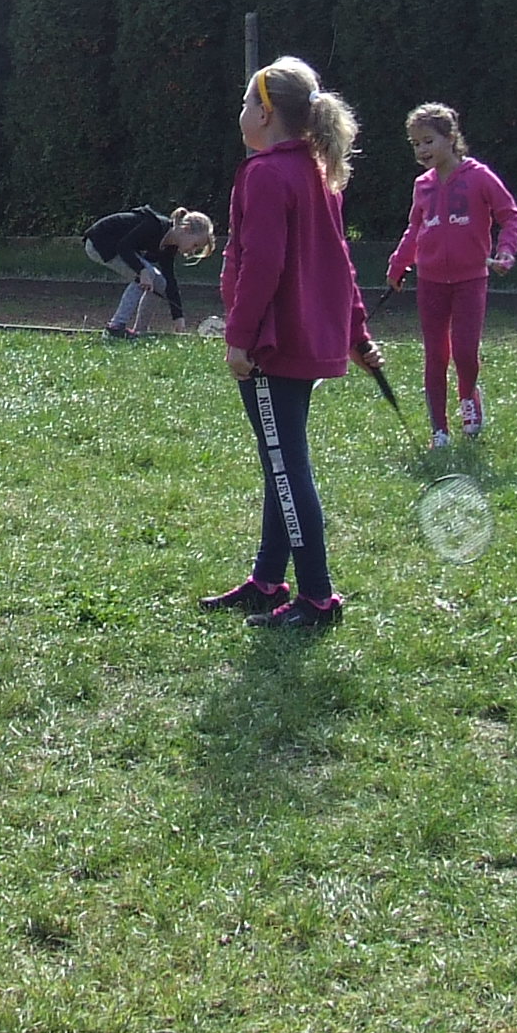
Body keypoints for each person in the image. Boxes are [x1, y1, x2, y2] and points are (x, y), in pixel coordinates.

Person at [202, 56, 384, 630]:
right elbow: (340, 262)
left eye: (246, 101)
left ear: (264, 113)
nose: (240, 111)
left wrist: (239, 338)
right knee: (281, 461)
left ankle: (317, 598)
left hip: (273, 347)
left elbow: (262, 265)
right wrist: (357, 333)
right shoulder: (315, 170)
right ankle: (267, 581)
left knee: (287, 468)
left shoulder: (266, 174)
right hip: (300, 342)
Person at [385, 103, 517, 448]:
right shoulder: (422, 185)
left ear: (450, 138)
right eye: (415, 144)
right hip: (431, 281)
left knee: (464, 350)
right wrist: (399, 264)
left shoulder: (479, 177)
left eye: (428, 141)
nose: (422, 150)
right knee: (435, 354)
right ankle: (439, 429)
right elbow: (415, 229)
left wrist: (505, 251)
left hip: (470, 279)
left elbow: (510, 215)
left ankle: (469, 400)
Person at [82, 204, 214, 337]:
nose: (192, 251)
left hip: (116, 247)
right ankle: (115, 327)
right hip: (99, 242)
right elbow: (124, 247)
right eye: (195, 245)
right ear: (186, 229)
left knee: (160, 283)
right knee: (147, 274)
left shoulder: (169, 247)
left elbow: (170, 280)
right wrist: (141, 270)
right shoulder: (154, 226)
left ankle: (140, 331)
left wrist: (178, 316)